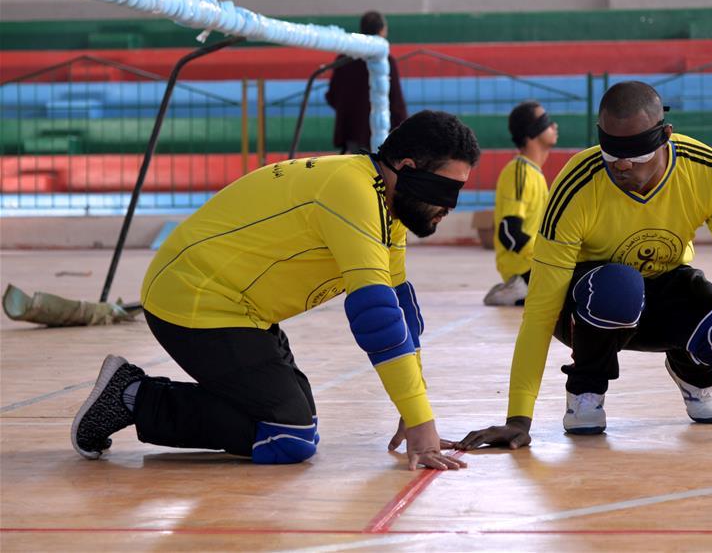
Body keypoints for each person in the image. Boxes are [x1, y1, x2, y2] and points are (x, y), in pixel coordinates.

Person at [71, 110, 479, 471]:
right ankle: (131, 395)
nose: (451, 205)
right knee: (289, 436)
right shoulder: (352, 191)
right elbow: (376, 315)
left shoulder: (386, 206)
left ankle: (137, 393)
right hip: (194, 298)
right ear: (407, 167)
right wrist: (422, 423)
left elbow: (399, 308)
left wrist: (415, 410)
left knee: (294, 426)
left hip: (242, 310)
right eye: (446, 190)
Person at [457, 81, 712, 450]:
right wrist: (518, 417)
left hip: (663, 289)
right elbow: (540, 309)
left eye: (637, 154)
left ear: (666, 136)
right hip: (588, 307)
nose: (623, 164)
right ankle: (586, 388)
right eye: (613, 154)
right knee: (620, 286)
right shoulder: (577, 185)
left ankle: (691, 370)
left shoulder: (707, 172)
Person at [483, 100, 558, 306]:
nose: (554, 126)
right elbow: (509, 232)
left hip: (538, 261)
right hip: (524, 265)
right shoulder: (519, 172)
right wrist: (550, 256)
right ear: (531, 133)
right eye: (546, 121)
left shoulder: (535, 174)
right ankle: (519, 286)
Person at [325, 10, 408, 154]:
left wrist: (348, 112)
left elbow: (332, 96)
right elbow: (396, 101)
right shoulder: (386, 61)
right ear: (382, 30)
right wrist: (405, 129)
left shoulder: (344, 59)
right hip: (380, 132)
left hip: (351, 130)